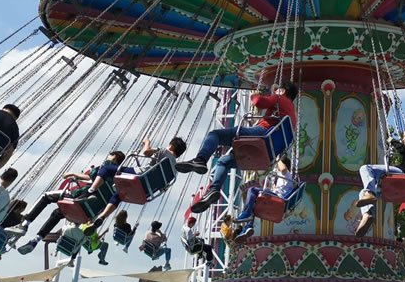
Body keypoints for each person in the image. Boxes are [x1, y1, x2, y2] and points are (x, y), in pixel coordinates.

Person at [178, 83, 298, 213]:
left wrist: (255, 94)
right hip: (267, 155)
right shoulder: (292, 115)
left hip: (262, 136)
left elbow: (258, 102)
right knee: (224, 161)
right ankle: (213, 190)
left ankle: (201, 159)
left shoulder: (280, 98)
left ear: (283, 91)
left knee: (215, 135)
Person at [11, 150, 126, 255]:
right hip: (89, 213)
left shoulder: (107, 166)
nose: (107, 156)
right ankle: (35, 240)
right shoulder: (120, 179)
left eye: (110, 155)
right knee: (57, 213)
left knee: (46, 196)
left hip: (81, 199)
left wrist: (72, 174)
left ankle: (24, 225)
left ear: (114, 157)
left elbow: (92, 176)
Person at [84, 137, 187, 233]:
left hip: (140, 176)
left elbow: (146, 152)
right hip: (146, 191)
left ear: (171, 146)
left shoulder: (164, 151)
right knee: (119, 194)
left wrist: (147, 142)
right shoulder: (174, 170)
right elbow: (164, 187)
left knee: (107, 168)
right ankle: (102, 216)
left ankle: (90, 191)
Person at [344, 126, 405, 236]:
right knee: (362, 193)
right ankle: (367, 215)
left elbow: (403, 150)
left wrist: (391, 140)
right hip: (398, 185)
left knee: (366, 168)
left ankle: (370, 193)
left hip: (404, 174)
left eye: (403, 135)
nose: (402, 138)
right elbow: (404, 150)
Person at [234, 154, 297, 239]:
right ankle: (248, 228)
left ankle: (246, 213)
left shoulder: (287, 174)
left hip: (279, 198)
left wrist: (277, 158)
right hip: (277, 198)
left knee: (252, 190)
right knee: (253, 205)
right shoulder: (282, 178)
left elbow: (283, 169)